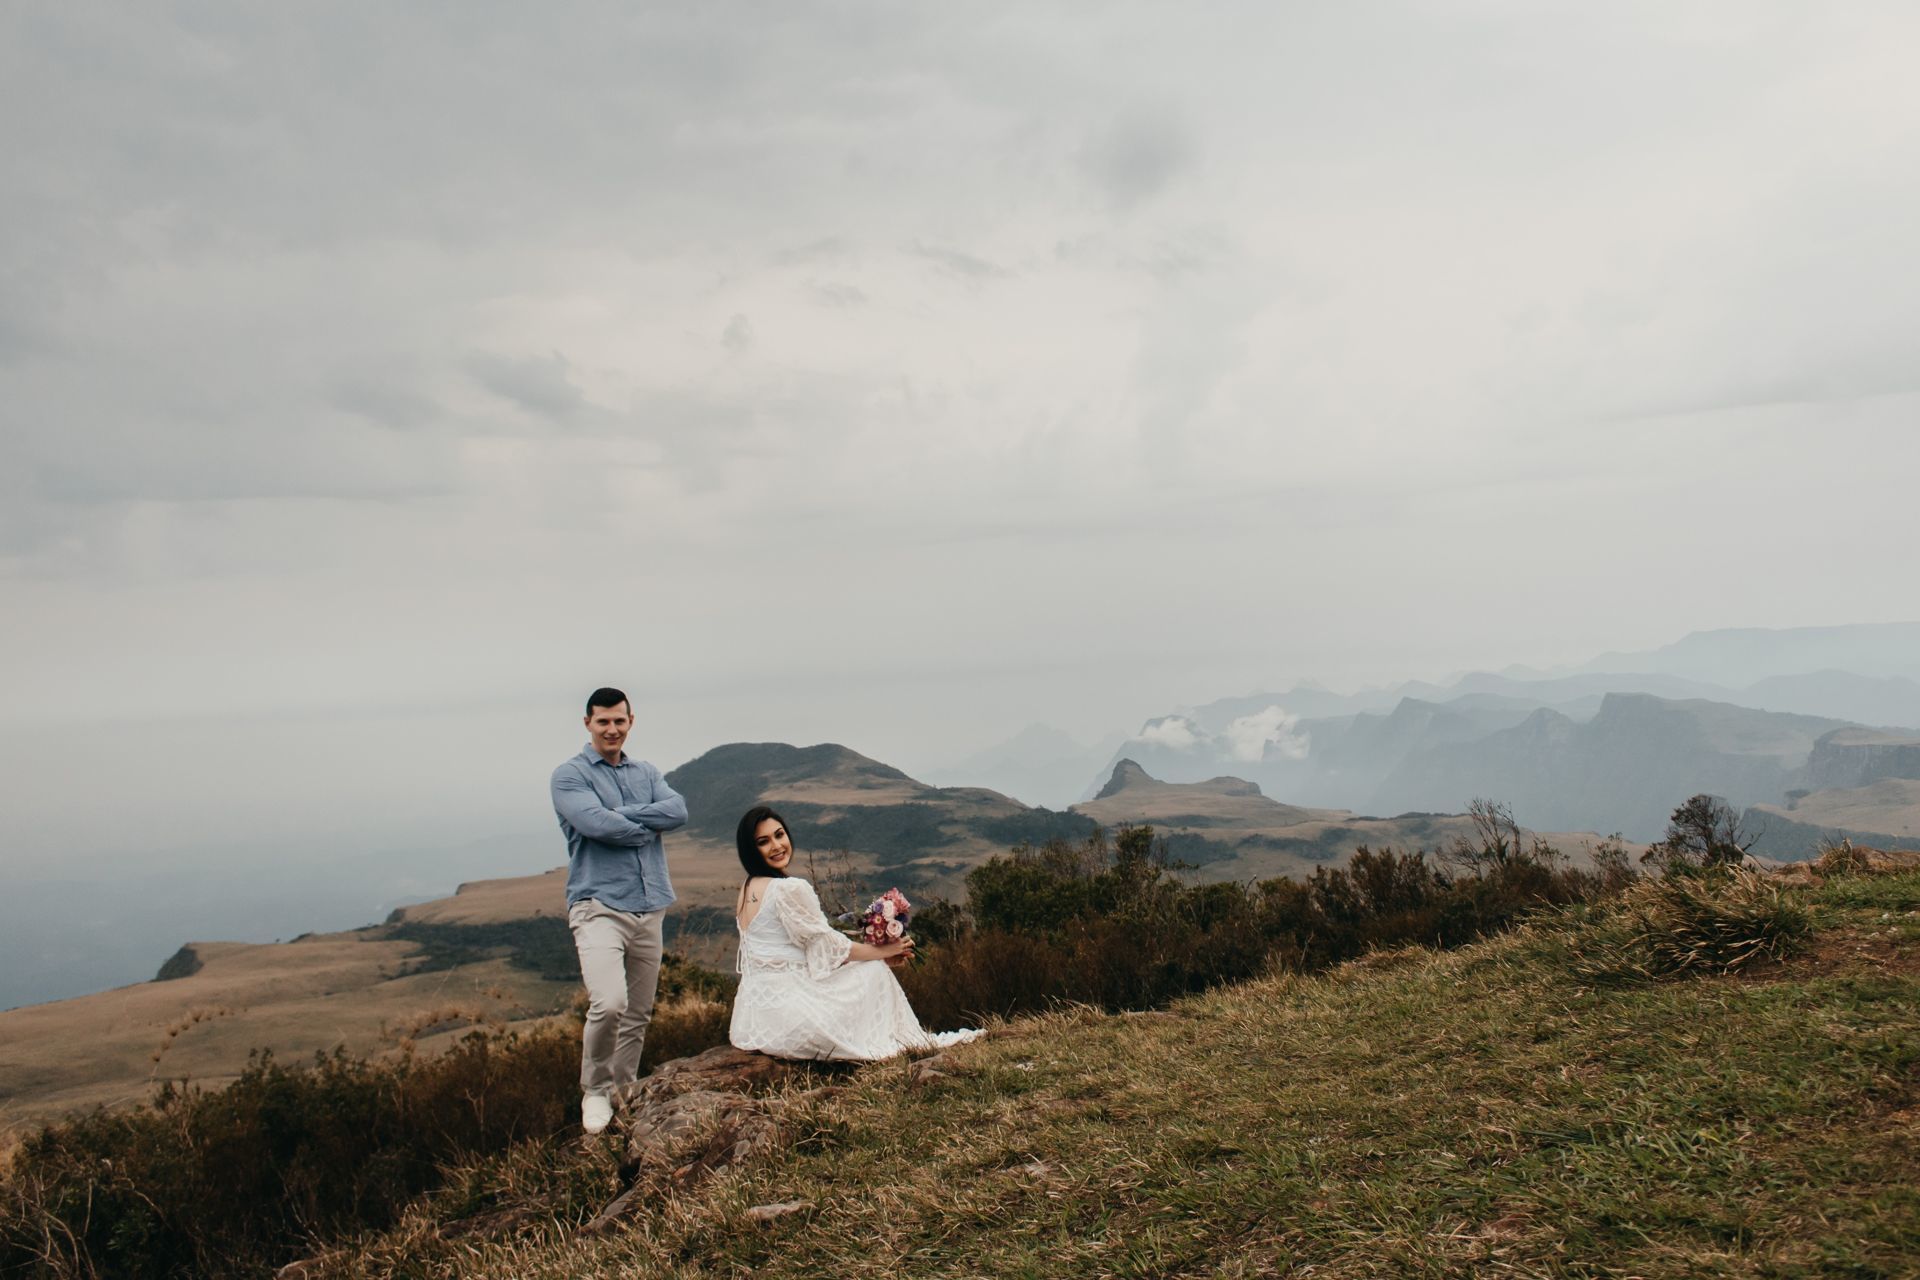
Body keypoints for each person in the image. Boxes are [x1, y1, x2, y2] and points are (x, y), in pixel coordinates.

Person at [729, 805, 984, 1060]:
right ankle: (903, 1041)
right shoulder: (790, 888)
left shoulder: (747, 887)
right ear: (751, 850)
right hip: (791, 1015)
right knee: (871, 970)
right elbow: (831, 948)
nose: (776, 846)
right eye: (764, 842)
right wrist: (885, 951)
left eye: (779, 835)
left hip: (753, 1020)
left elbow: (803, 954)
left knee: (865, 967)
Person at [551, 687, 688, 1135]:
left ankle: (623, 1090)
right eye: (603, 721)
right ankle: (594, 1089)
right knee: (609, 1003)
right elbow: (594, 824)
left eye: (619, 721)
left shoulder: (646, 771)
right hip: (598, 906)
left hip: (651, 905)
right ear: (587, 723)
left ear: (631, 721)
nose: (612, 729)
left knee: (639, 1012)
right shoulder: (568, 776)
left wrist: (622, 815)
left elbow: (678, 810)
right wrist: (639, 825)